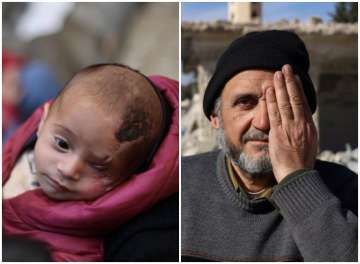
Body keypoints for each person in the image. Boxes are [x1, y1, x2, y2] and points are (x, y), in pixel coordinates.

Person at [182, 30, 357, 261]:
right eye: (245, 102)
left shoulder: (347, 190)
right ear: (215, 117)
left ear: (303, 117)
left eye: (281, 104)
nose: (264, 122)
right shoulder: (181, 184)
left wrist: (297, 180)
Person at [3, 63, 179, 261]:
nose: (69, 170)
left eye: (97, 166)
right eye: (62, 144)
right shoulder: (20, 146)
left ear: (123, 180)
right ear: (42, 121)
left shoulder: (79, 246)